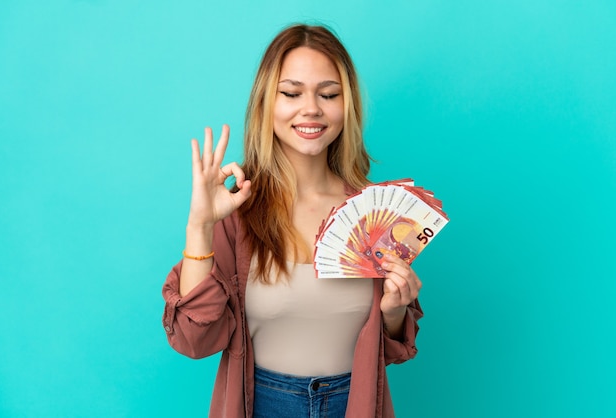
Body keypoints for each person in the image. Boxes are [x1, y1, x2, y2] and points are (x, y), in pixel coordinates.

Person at [162, 23, 423, 418]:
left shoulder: (373, 213)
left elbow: (391, 349)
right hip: (262, 403)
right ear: (267, 102)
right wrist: (199, 226)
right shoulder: (237, 209)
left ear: (346, 104)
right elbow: (193, 340)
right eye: (291, 92)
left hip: (353, 404)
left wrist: (394, 311)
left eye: (329, 94)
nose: (312, 108)